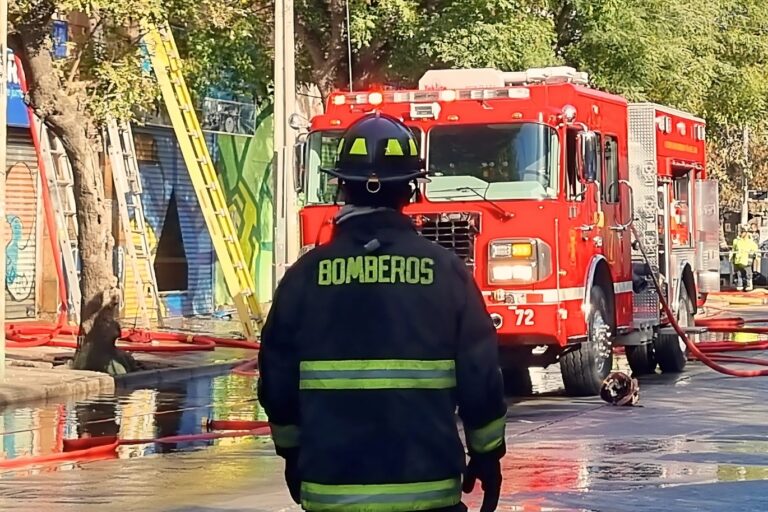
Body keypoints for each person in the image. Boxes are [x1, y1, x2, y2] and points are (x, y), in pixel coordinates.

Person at [258, 112, 507, 512]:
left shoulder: (304, 278)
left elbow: (277, 381)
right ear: (411, 189)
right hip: (429, 494)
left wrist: (291, 453)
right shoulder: (447, 273)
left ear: (341, 186)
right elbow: (480, 377)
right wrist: (487, 454)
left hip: (331, 493)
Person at [731, 225, 759, 291]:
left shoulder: (751, 241)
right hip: (738, 260)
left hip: (747, 260)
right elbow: (734, 250)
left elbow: (755, 250)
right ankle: (740, 285)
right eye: (741, 232)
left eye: (743, 232)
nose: (741, 233)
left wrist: (755, 257)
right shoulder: (736, 241)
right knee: (739, 274)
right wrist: (732, 259)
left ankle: (749, 285)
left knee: (748, 273)